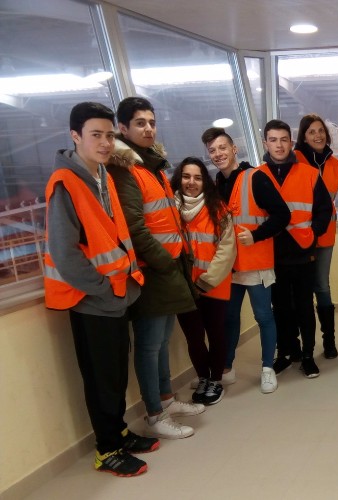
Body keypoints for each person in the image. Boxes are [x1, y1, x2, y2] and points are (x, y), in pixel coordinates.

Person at [44, 102, 154, 477]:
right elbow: (64, 253)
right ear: (75, 136)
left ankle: (118, 433)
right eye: (96, 135)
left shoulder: (101, 175)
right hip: (92, 300)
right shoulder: (66, 182)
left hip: (116, 295)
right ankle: (106, 450)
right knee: (102, 379)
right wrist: (103, 288)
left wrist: (117, 287)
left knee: (116, 374)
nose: (105, 143)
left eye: (109, 135)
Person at [107, 97, 205, 438]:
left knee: (162, 341)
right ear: (123, 128)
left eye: (151, 122)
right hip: (150, 269)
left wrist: (175, 259)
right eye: (140, 123)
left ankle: (166, 399)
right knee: (149, 345)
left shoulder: (151, 166)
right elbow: (135, 227)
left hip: (167, 265)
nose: (148, 128)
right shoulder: (124, 170)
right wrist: (164, 262)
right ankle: (154, 414)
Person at [205, 127, 290, 394]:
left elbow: (283, 215)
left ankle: (267, 368)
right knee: (229, 318)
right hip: (229, 267)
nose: (218, 154)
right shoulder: (216, 185)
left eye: (222, 147)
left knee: (263, 316)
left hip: (255, 263)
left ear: (234, 149)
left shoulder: (256, 178)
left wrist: (256, 235)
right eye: (212, 150)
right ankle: (226, 368)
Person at [265, 120, 333, 378]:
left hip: (304, 254)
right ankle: (286, 352)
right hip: (272, 256)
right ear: (265, 143)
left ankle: (307, 355)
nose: (279, 145)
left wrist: (313, 233)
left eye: (284, 139)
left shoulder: (309, 174)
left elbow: (324, 210)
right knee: (281, 308)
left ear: (291, 143)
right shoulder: (258, 176)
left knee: (305, 307)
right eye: (273, 140)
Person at [171, 157, 236, 404]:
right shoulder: (170, 210)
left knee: (216, 333)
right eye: (186, 176)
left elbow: (227, 250)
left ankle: (216, 380)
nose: (192, 182)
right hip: (184, 288)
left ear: (205, 181)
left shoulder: (218, 209)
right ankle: (203, 378)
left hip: (213, 285)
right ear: (179, 179)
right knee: (194, 337)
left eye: (198, 177)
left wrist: (206, 280)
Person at [294, 114, 338, 359]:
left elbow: (329, 203)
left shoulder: (336, 166)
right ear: (303, 137)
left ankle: (329, 341)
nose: (318, 135)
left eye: (321, 130)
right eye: (312, 131)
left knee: (322, 286)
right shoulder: (294, 160)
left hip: (324, 235)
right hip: (298, 237)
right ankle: (300, 346)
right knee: (299, 291)